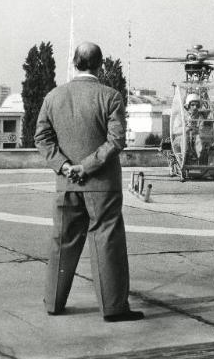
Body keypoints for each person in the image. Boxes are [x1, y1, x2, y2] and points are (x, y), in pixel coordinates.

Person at [35, 42, 144, 322]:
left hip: (66, 184)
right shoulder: (110, 96)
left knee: (62, 242)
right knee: (106, 242)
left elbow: (42, 138)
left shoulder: (53, 97)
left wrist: (65, 166)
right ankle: (113, 308)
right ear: (101, 64)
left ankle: (53, 303)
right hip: (102, 185)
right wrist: (87, 166)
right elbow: (116, 140)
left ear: (74, 62)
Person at [172, 93, 206, 164]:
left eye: (197, 105)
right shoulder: (180, 116)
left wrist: (196, 130)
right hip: (180, 139)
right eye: (192, 105)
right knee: (184, 139)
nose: (195, 107)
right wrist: (187, 128)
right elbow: (175, 130)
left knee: (200, 139)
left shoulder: (200, 117)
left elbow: (202, 130)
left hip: (194, 137)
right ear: (188, 106)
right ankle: (184, 160)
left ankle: (199, 160)